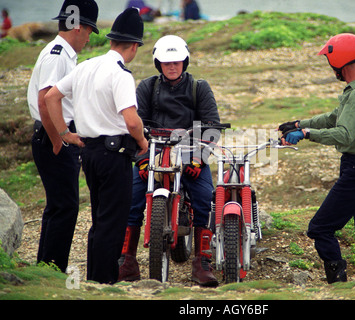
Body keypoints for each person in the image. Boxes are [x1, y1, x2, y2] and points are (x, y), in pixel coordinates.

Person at [45, 7, 148, 284]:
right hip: (115, 155)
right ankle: (104, 283)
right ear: (135, 46)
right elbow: (132, 121)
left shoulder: (86, 66)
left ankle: (95, 279)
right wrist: (142, 142)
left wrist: (65, 133)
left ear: (112, 40)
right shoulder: (120, 74)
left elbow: (51, 97)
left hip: (88, 152)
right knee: (112, 223)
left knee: (100, 219)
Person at [279, 33, 355, 284]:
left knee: (320, 227)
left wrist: (306, 133)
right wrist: (298, 123)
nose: (330, 66)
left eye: (330, 59)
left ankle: (338, 283)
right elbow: (331, 118)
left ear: (339, 60)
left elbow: (344, 134)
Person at [118, 35, 220, 287]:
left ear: (184, 62)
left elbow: (212, 127)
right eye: (166, 62)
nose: (172, 66)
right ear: (157, 64)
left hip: (190, 153)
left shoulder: (200, 87)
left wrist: (199, 158)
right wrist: (141, 159)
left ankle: (202, 261)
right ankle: (126, 261)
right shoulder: (147, 87)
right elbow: (134, 127)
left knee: (206, 198)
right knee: (129, 199)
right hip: (152, 151)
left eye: (176, 62)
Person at [26, 0, 99, 273]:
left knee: (58, 206)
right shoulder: (58, 54)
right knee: (65, 207)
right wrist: (60, 137)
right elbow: (45, 101)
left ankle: (46, 266)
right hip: (53, 138)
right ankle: (53, 269)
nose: (90, 37)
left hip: (52, 136)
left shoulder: (62, 53)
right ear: (78, 27)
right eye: (90, 30)